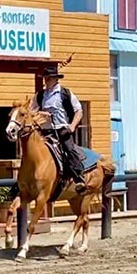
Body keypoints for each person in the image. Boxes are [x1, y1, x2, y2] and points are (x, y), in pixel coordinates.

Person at [30, 65, 87, 193]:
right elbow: (30, 111)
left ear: (56, 79)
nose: (47, 80)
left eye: (49, 78)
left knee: (69, 149)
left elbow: (79, 111)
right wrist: (40, 114)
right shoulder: (40, 95)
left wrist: (72, 126)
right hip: (44, 131)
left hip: (62, 129)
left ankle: (79, 178)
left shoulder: (65, 93)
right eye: (45, 78)